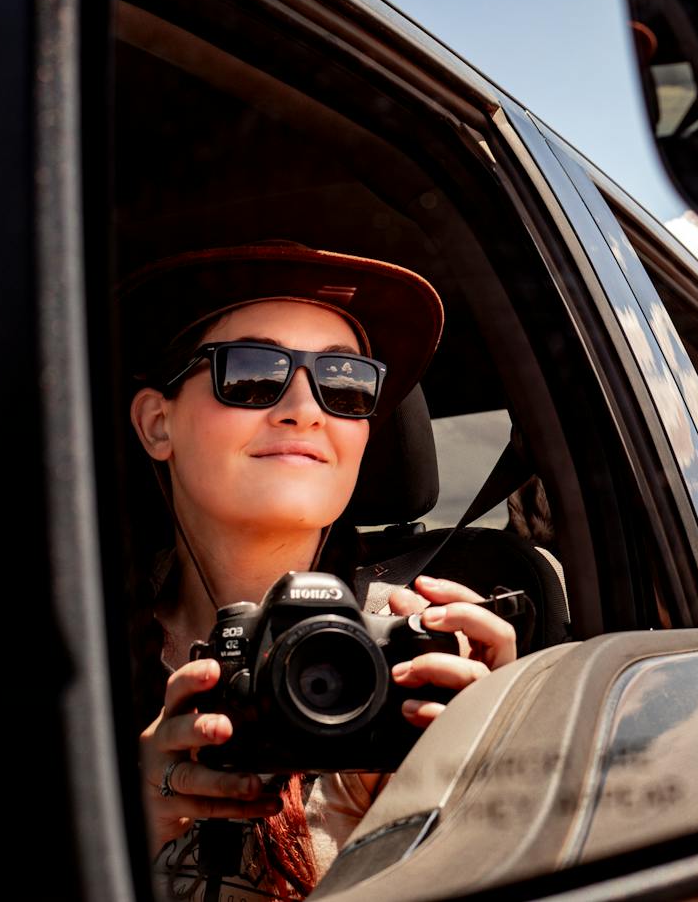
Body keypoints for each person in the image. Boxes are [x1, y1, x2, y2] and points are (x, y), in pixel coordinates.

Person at [119, 241, 518, 900]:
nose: (305, 407)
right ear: (157, 423)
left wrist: (504, 771)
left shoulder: (424, 649)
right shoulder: (70, 672)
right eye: (250, 372)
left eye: (345, 381)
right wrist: (119, 818)